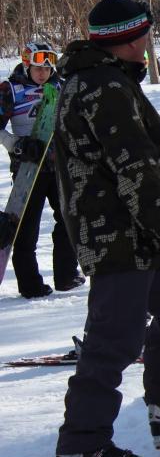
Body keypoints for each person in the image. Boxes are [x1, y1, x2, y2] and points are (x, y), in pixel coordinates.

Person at [53, 0, 160, 457]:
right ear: (128, 38)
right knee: (114, 339)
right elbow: (135, 167)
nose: (148, 41)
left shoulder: (105, 78)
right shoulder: (103, 86)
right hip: (118, 235)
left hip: (133, 232)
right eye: (144, 33)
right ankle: (82, 447)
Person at [0, 42, 84, 298]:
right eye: (37, 69)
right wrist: (16, 144)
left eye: (47, 69)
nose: (42, 74)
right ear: (27, 65)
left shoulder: (59, 86)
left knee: (69, 219)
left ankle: (66, 275)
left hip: (59, 166)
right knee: (27, 227)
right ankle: (30, 284)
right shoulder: (11, 89)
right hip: (29, 167)